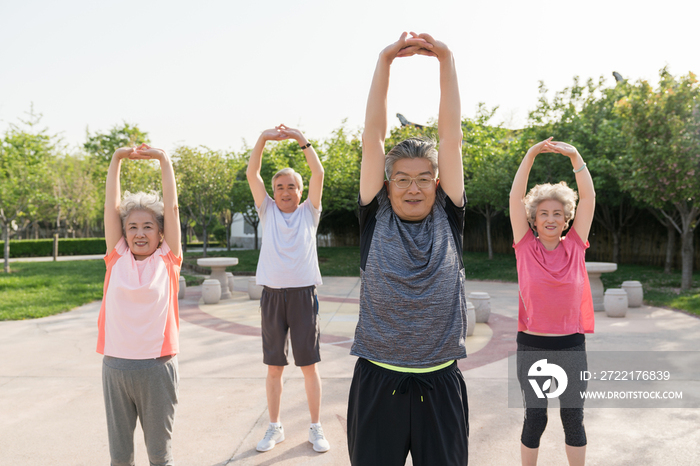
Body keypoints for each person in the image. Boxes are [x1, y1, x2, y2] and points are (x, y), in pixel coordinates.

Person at [347, 32, 469, 466]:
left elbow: (450, 137)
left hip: (440, 381)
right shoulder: (375, 215)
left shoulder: (448, 215)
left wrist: (446, 60)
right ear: (387, 184)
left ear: (437, 184)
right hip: (378, 380)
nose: (412, 187)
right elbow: (373, 138)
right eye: (402, 178)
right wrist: (385, 62)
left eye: (422, 178)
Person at [509, 138, 596, 466]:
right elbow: (515, 197)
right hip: (532, 347)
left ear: (567, 218)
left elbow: (588, 196)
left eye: (557, 213)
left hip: (572, 346)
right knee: (536, 418)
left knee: (573, 419)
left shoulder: (575, 246)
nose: (550, 218)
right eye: (543, 213)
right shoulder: (524, 246)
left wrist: (575, 156)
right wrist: (531, 153)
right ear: (533, 218)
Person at [246, 124, 330, 453]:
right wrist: (264, 139)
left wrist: (299, 138)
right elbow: (252, 172)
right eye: (279, 186)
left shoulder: (309, 213)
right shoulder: (267, 211)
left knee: (309, 366)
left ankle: (315, 427)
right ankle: (274, 427)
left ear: (300, 190)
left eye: (291, 186)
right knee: (274, 368)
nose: (284, 191)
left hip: (303, 296)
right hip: (272, 297)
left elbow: (318, 171)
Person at [97, 143, 182, 466]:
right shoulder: (116, 256)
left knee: (159, 456)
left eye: (148, 226)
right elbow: (110, 207)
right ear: (124, 233)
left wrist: (163, 160)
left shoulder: (168, 260)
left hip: (156, 368)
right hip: (116, 366)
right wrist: (117, 159)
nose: (139, 233)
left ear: (161, 233)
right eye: (132, 226)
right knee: (120, 457)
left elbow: (172, 208)